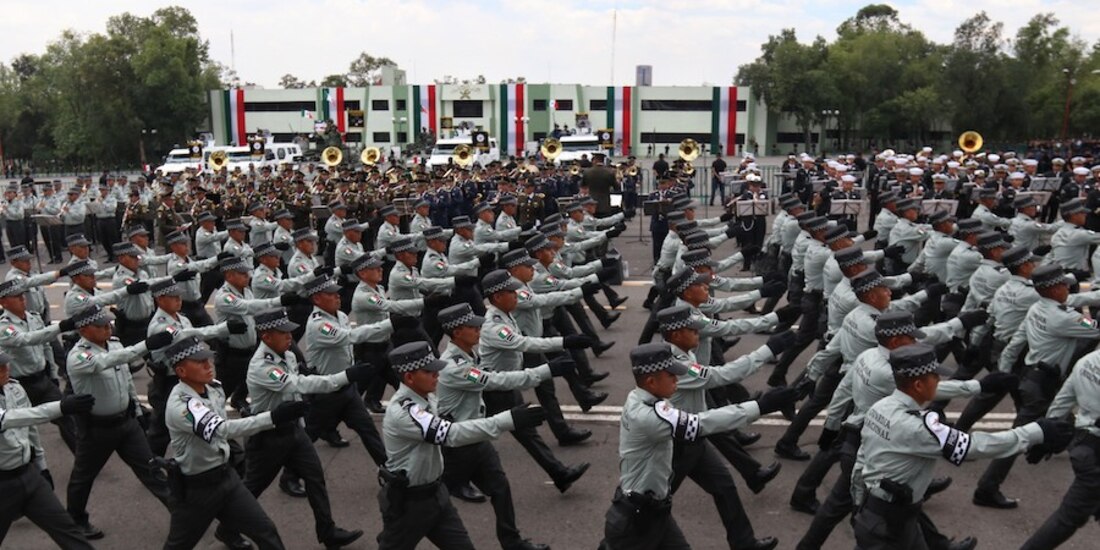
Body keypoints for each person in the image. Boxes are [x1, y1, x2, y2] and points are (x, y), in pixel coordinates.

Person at [850, 343, 1074, 550]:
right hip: (887, 528)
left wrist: (859, 502)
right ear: (918, 384)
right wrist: (1037, 431)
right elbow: (975, 446)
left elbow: (864, 456)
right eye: (934, 376)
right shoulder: (916, 428)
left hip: (889, 515)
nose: (939, 380)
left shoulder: (881, 407)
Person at [599, 342, 798, 550]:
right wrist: (760, 406)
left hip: (656, 511)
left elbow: (709, 380)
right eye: (671, 376)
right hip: (636, 522)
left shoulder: (649, 395)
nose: (677, 379)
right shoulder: (648, 416)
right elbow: (702, 423)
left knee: (724, 486)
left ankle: (744, 542)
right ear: (650, 381)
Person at [217, 308, 366, 548]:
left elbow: (298, 381)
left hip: (293, 431)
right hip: (267, 437)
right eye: (282, 332)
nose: (289, 337)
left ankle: (327, 532)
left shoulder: (286, 355)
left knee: (315, 477)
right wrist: (345, 376)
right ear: (266, 337)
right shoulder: (261, 366)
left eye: (289, 332)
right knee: (252, 488)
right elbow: (300, 384)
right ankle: (226, 529)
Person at [377, 341, 547, 549]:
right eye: (428, 371)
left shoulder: (427, 397)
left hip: (437, 495)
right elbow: (450, 434)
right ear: (409, 377)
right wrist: (508, 419)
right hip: (410, 505)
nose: (436, 375)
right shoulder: (405, 411)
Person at [659, 305, 790, 549]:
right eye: (692, 329)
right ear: (676, 334)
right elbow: (721, 376)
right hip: (675, 446)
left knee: (724, 486)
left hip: (694, 438)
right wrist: (766, 350)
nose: (698, 332)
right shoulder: (676, 364)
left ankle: (744, 542)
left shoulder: (685, 353)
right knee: (650, 509)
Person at [436, 303, 565, 550]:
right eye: (471, 326)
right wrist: (545, 370)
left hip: (476, 439)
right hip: (457, 445)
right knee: (430, 504)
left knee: (500, 488)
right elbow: (495, 380)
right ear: (456, 333)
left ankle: (512, 541)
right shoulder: (455, 366)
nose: (478, 329)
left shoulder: (470, 355)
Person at [162, 335, 307, 550]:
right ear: (181, 372)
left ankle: (229, 536)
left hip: (226, 479)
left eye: (208, 359)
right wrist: (273, 417)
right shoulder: (182, 406)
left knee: (266, 531)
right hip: (198, 490)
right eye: (200, 362)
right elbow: (222, 429)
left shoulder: (212, 388)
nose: (207, 365)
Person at [64, 304, 175, 539]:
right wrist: (145, 345)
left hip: (126, 424)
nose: (108, 327)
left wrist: (137, 408)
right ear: (83, 330)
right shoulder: (78, 357)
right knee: (83, 477)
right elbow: (105, 362)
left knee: (151, 469)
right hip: (96, 430)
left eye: (108, 323)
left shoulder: (114, 344)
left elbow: (125, 380)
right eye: (100, 325)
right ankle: (76, 519)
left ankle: (179, 511)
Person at [0, 350, 95, 549]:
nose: (5, 369)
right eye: (0, 367)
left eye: (5, 364)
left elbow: (30, 431)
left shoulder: (13, 389)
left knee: (68, 531)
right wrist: (61, 407)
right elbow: (14, 418)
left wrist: (41, 467)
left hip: (28, 475)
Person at [301, 274, 394, 467]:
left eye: (337, 294)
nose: (338, 297)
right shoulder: (319, 325)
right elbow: (350, 336)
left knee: (368, 429)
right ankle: (290, 475)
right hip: (326, 390)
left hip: (346, 387)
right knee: (307, 437)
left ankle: (388, 469)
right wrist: (391, 323)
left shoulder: (341, 316)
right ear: (317, 298)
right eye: (331, 294)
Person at [1022, 345, 1100, 549]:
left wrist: (1046, 437)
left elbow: (1061, 402)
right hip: (1095, 456)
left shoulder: (1086, 362)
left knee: (1068, 518)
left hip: (1085, 447)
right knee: (1067, 519)